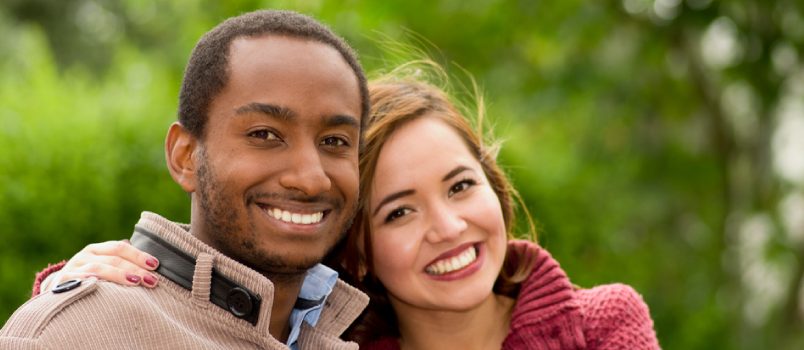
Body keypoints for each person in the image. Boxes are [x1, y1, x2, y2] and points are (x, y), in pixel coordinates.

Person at [28, 64, 661, 349]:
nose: (448, 227)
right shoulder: (328, 345)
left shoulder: (602, 326)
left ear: (495, 187)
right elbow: (205, 324)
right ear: (356, 246)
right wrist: (79, 292)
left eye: (461, 186)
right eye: (399, 212)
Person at [1, 9, 371, 350]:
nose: (310, 179)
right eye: (264, 134)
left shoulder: (360, 332)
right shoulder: (72, 335)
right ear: (185, 157)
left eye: (334, 141)